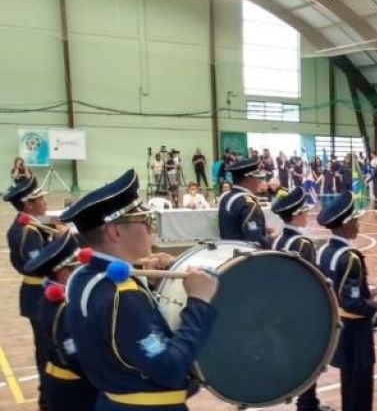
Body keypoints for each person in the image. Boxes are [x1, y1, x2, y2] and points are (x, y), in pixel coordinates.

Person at [60, 169, 219, 411]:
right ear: (114, 231)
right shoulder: (121, 296)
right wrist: (199, 301)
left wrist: (150, 280)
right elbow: (170, 369)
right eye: (144, 221)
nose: (150, 229)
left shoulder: (82, 276)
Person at [316, 191, 377, 411]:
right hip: (356, 331)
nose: (358, 225)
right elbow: (352, 303)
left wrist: (364, 291)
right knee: (360, 389)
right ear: (345, 225)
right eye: (355, 221)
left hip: (339, 327)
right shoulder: (350, 256)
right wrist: (375, 303)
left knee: (349, 385)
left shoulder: (324, 250)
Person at [24, 233, 97, 411]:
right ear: (64, 272)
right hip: (73, 390)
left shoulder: (60, 296)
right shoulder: (62, 306)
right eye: (80, 265)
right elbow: (75, 357)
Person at [269, 187, 323, 410]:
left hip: (281, 305)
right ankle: (307, 402)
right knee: (309, 356)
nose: (308, 214)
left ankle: (307, 399)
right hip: (300, 308)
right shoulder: (303, 244)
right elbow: (311, 280)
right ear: (297, 214)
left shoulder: (277, 240)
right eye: (305, 211)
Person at [3, 175, 54, 406]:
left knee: (45, 343)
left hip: (35, 293)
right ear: (29, 205)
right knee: (46, 345)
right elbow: (39, 264)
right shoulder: (28, 231)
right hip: (39, 295)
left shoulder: (26, 225)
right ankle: (47, 391)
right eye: (40, 199)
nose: (44, 201)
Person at [218, 157, 273, 247]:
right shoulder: (248, 203)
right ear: (249, 179)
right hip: (245, 255)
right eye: (258, 178)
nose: (259, 182)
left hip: (228, 250)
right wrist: (272, 239)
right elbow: (255, 240)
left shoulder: (226, 197)